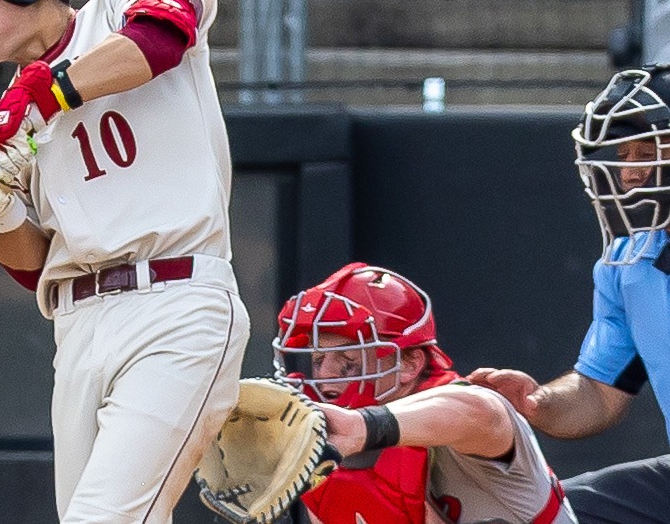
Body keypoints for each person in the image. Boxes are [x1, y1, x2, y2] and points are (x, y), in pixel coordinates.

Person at [0, 0, 250, 523]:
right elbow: (34, 270)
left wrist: (47, 93)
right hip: (79, 330)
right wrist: (0, 212)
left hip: (177, 305)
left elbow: (162, 38)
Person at [469, 64, 670, 523]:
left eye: (648, 152)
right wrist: (535, 403)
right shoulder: (628, 266)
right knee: (548, 515)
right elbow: (599, 394)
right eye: (624, 154)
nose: (631, 174)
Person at [274, 262, 575, 523]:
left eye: (348, 361)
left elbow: (482, 411)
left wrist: (363, 426)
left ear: (409, 364)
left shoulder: (460, 404)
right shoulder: (325, 451)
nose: (325, 377)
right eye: (318, 360)